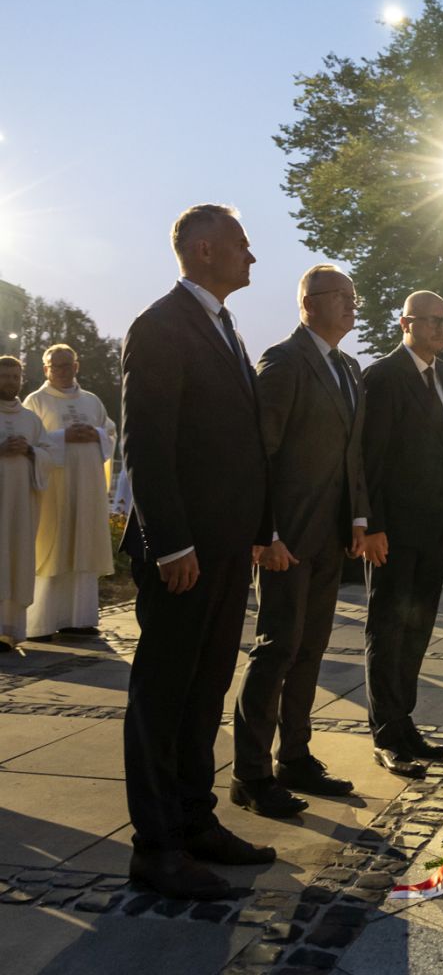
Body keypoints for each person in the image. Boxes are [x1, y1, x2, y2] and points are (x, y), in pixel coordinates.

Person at [121, 204, 274, 901]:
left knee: (205, 690)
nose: (253, 257)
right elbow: (148, 445)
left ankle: (194, 819)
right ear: (207, 250)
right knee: (163, 696)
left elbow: (237, 446)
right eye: (244, 245)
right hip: (183, 555)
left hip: (223, 551)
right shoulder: (160, 327)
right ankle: (157, 849)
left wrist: (258, 530)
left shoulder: (223, 326)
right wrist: (171, 543)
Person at [232, 264, 369, 818]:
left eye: (355, 299)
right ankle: (250, 774)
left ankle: (295, 756)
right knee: (276, 650)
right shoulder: (284, 362)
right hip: (286, 538)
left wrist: (358, 517)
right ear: (309, 302)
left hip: (330, 536)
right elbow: (258, 452)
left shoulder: (348, 366)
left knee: (310, 652)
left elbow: (351, 453)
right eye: (344, 298)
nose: (352, 307)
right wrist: (265, 532)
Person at [361, 289, 443, 778]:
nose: (442, 330)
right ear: (405, 323)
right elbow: (371, 460)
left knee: (419, 627)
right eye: (431, 322)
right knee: (387, 627)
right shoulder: (382, 378)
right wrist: (374, 525)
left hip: (436, 526)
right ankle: (386, 734)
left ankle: (405, 722)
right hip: (394, 529)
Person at [24, 344, 115, 639]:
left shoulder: (92, 401)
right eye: (56, 366)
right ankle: (43, 623)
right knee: (53, 548)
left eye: (67, 365)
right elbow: (28, 441)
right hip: (53, 491)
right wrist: (63, 436)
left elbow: (110, 432)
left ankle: (81, 619)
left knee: (83, 548)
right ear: (46, 370)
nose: (62, 371)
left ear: (77, 366)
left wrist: (97, 434)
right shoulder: (35, 401)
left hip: (87, 487)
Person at [0, 356, 52, 650]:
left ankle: (10, 631)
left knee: (15, 560)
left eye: (15, 376)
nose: (10, 381)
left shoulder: (30, 419)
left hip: (21, 508)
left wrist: (31, 451)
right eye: (4, 376)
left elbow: (49, 456)